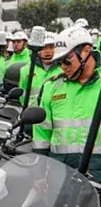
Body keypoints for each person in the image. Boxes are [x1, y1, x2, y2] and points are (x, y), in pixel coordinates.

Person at [33, 26, 101, 180]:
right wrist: (39, 175)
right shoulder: (51, 86)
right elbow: (42, 133)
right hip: (60, 171)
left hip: (97, 170)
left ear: (86, 51)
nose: (63, 67)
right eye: (59, 63)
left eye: (66, 61)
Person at [19, 32, 63, 105]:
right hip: (32, 113)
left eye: (51, 47)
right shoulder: (26, 70)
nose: (47, 51)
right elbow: (22, 97)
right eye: (44, 47)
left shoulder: (64, 70)